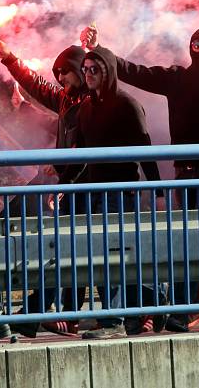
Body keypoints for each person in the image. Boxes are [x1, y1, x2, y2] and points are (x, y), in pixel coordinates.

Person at [81, 25, 199, 332]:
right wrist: (102, 48)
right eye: (196, 44)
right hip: (186, 172)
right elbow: (136, 72)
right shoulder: (178, 79)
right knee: (192, 239)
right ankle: (187, 307)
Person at [0, 37, 90, 337]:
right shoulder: (67, 98)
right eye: (57, 73)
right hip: (70, 186)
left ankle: (50, 314)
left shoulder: (92, 102)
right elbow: (37, 85)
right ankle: (40, 314)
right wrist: (10, 58)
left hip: (86, 188)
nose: (60, 79)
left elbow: (88, 146)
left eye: (65, 72)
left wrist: (63, 175)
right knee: (64, 250)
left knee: (78, 252)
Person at [72, 45, 167, 339]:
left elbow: (144, 147)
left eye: (94, 69)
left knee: (121, 256)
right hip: (95, 193)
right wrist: (63, 187)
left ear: (108, 72)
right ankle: (128, 313)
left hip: (121, 193)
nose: (88, 75)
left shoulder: (127, 104)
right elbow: (80, 154)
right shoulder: (85, 108)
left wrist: (157, 190)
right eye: (85, 69)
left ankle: (120, 318)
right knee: (103, 257)